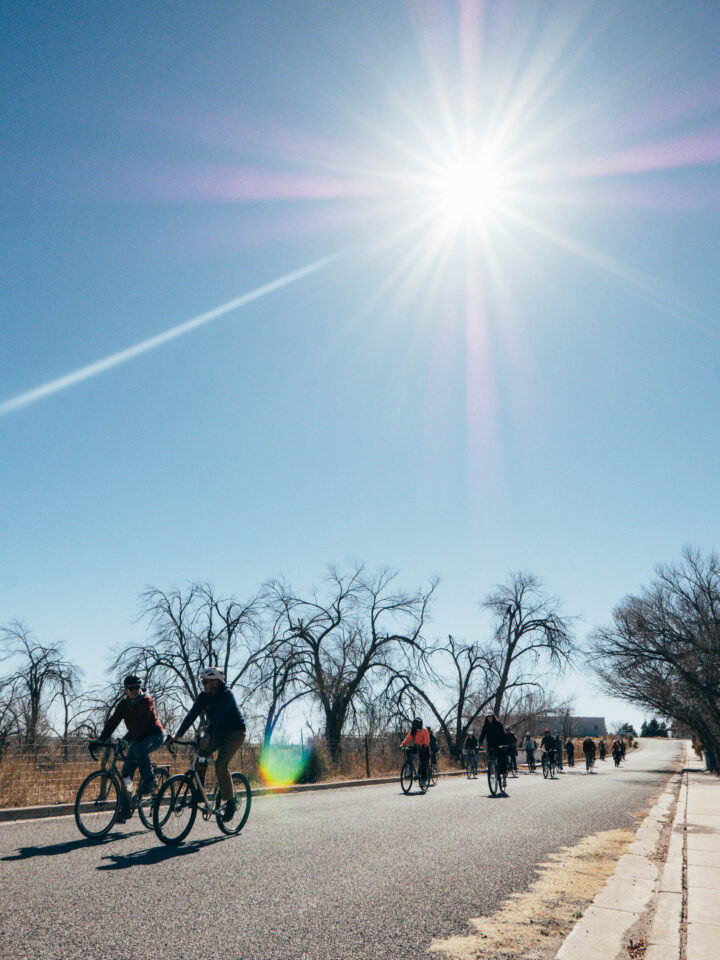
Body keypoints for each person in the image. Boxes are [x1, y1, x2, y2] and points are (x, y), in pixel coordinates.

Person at [166, 667, 246, 821]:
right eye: (202, 682)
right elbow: (191, 715)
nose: (204, 685)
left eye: (206, 682)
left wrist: (207, 735)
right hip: (217, 732)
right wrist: (177, 735)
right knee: (199, 754)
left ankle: (230, 802)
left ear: (217, 682)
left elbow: (218, 717)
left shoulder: (227, 695)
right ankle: (199, 792)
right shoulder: (203, 697)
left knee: (221, 765)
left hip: (235, 733)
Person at [98, 674, 165, 799]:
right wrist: (100, 740)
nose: (134, 690)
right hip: (137, 738)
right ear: (126, 689)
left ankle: (150, 780)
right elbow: (113, 721)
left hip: (155, 735)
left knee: (139, 749)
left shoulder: (146, 700)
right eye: (131, 688)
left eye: (137, 687)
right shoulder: (124, 703)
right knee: (126, 774)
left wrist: (126, 740)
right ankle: (127, 802)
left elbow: (140, 725)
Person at [479, 712, 508, 791]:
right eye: (488, 717)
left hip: (499, 745)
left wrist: (503, 744)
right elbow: (482, 735)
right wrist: (480, 743)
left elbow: (503, 734)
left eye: (490, 716)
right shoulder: (485, 726)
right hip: (490, 745)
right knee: (491, 759)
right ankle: (492, 770)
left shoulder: (498, 724)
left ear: (493, 717)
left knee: (501, 760)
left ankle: (503, 777)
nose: (489, 718)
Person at [400, 717, 430, 784]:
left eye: (417, 725)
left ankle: (424, 779)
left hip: (425, 747)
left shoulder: (424, 730)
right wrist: (402, 744)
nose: (416, 727)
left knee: (423, 762)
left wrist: (425, 746)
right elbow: (408, 738)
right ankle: (409, 769)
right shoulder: (413, 730)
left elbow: (427, 740)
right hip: (418, 746)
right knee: (408, 750)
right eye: (415, 725)